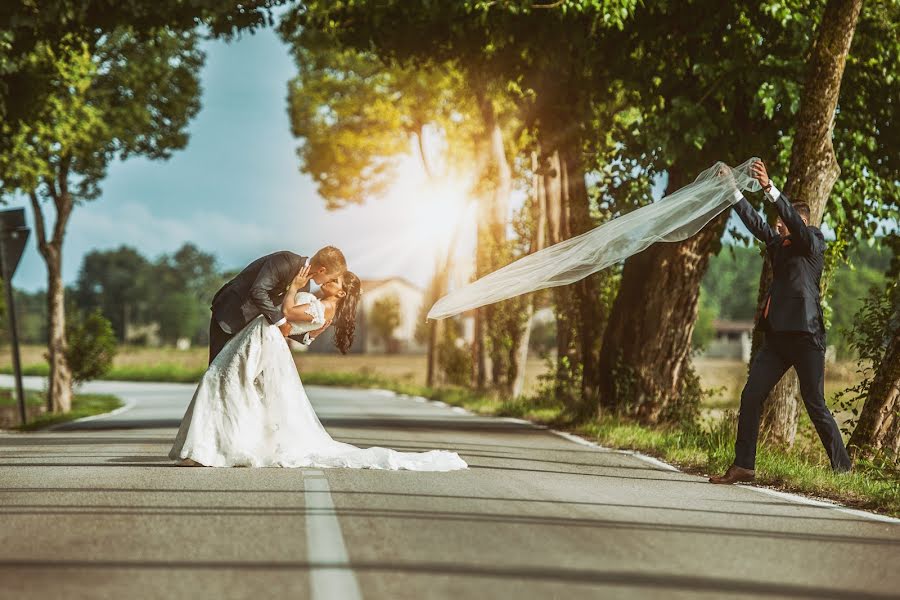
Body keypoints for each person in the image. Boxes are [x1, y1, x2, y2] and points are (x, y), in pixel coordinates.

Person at [169, 268, 467, 471]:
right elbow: (300, 334)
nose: (330, 281)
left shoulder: (320, 308)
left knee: (221, 380)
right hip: (263, 338)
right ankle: (210, 448)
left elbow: (286, 316)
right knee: (228, 385)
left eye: (336, 281)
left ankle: (206, 451)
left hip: (264, 337)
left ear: (340, 292)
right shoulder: (324, 308)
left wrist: (295, 288)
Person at [710, 160, 852, 484]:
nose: (776, 226)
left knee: (815, 403)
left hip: (806, 337)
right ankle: (744, 465)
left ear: (798, 221)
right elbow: (754, 222)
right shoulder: (778, 246)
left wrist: (769, 188)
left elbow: (794, 225)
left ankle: (843, 469)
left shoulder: (812, 241)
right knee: (751, 395)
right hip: (776, 339)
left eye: (783, 222)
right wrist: (732, 188)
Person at [207, 246, 346, 364]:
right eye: (331, 277)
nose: (326, 282)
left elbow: (286, 320)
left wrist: (308, 335)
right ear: (322, 270)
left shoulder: (305, 288)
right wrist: (281, 323)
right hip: (230, 315)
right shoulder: (285, 260)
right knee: (217, 368)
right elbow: (258, 291)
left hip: (253, 331)